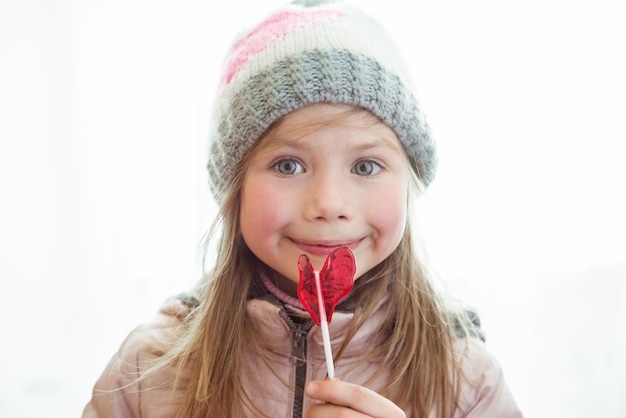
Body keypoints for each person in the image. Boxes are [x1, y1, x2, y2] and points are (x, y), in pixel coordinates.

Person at [83, 0, 522, 417]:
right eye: (288, 165)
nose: (329, 204)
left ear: (410, 184)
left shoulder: (466, 378)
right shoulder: (148, 372)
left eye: (366, 165)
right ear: (234, 188)